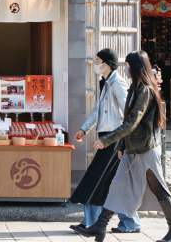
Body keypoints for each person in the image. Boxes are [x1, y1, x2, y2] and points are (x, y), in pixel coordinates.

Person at [80, 50, 171, 242]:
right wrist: (122, 147)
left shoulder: (145, 91)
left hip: (146, 149)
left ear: (136, 67)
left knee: (158, 188)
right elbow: (129, 121)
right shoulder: (135, 88)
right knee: (117, 186)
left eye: (127, 65)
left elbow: (131, 123)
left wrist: (107, 140)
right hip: (132, 148)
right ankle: (100, 226)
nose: (125, 69)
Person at [70, 49, 141, 235]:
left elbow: (128, 113)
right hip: (107, 137)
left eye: (98, 60)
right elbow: (97, 110)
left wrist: (122, 142)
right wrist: (84, 129)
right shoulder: (104, 83)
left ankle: (91, 222)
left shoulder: (117, 82)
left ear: (107, 63)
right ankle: (129, 223)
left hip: (114, 139)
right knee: (111, 182)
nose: (95, 63)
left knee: (96, 179)